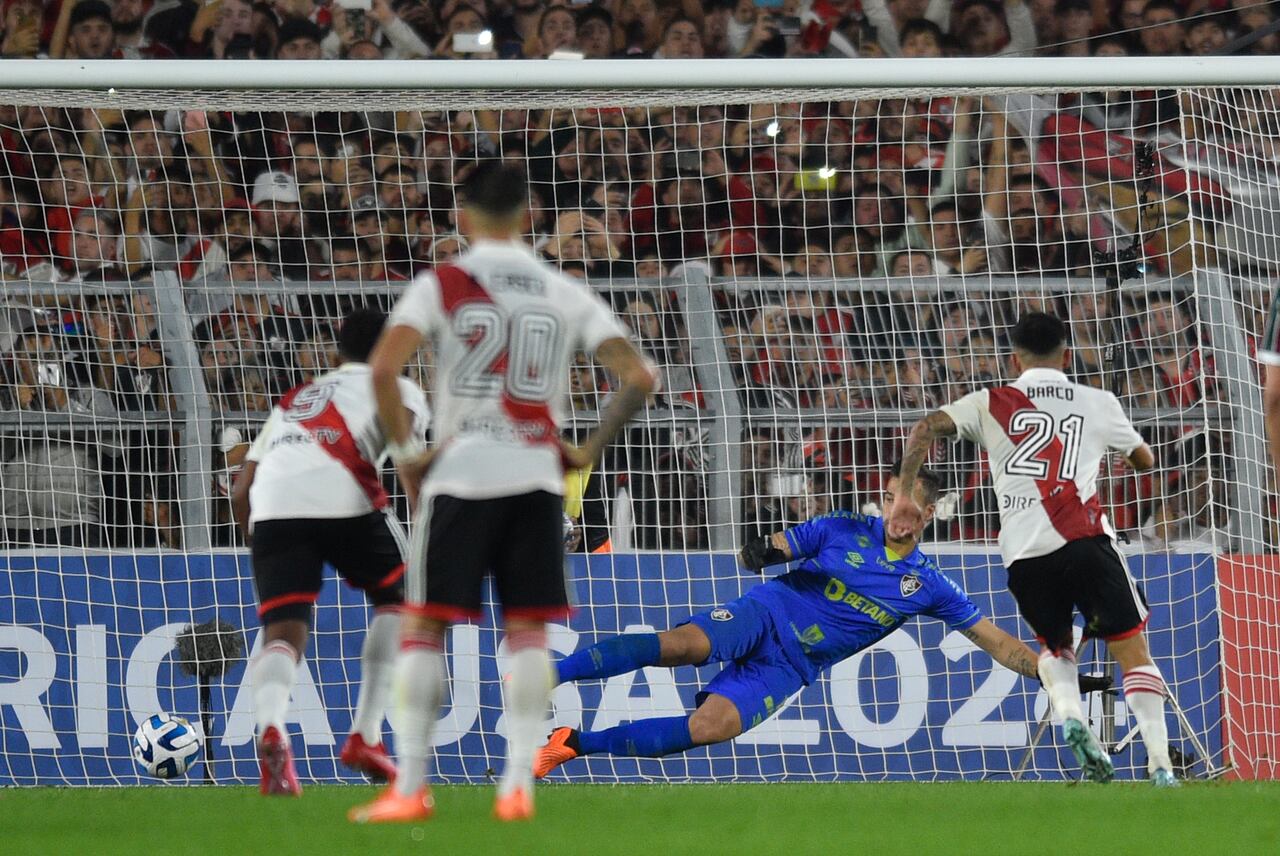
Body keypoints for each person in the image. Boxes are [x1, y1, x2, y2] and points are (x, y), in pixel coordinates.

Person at [349, 162, 656, 824]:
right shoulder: (560, 287)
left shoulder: (443, 284)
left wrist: (407, 457)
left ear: (461, 217)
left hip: (461, 473)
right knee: (525, 631)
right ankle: (518, 782)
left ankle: (411, 788)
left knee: (425, 625)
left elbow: (381, 369)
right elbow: (638, 375)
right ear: (527, 219)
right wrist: (588, 449)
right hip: (538, 477)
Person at [534, 464, 1107, 776]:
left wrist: (1056, 676)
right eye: (889, 502)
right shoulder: (841, 528)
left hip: (791, 666)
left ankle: (573, 743)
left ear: (929, 514)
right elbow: (783, 544)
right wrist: (764, 549)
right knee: (681, 646)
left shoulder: (930, 585)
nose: (896, 516)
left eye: (909, 509)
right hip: (764, 614)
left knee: (707, 729)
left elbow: (999, 644)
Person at [886, 312, 1176, 787]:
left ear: (1012, 358)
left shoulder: (989, 402)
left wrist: (903, 498)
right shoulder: (1097, 400)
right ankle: (1160, 766)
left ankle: (1071, 719)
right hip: (1085, 541)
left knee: (1056, 648)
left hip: (1024, 555)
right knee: (1133, 651)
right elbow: (1145, 462)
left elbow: (923, 429)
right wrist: (1113, 445)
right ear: (1067, 354)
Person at [229, 308, 430, 796]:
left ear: (337, 352)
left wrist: (262, 541)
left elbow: (240, 489)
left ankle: (271, 727)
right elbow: (412, 472)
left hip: (272, 510)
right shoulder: (400, 389)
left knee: (283, 630)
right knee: (399, 602)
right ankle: (366, 735)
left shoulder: (298, 397)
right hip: (344, 502)